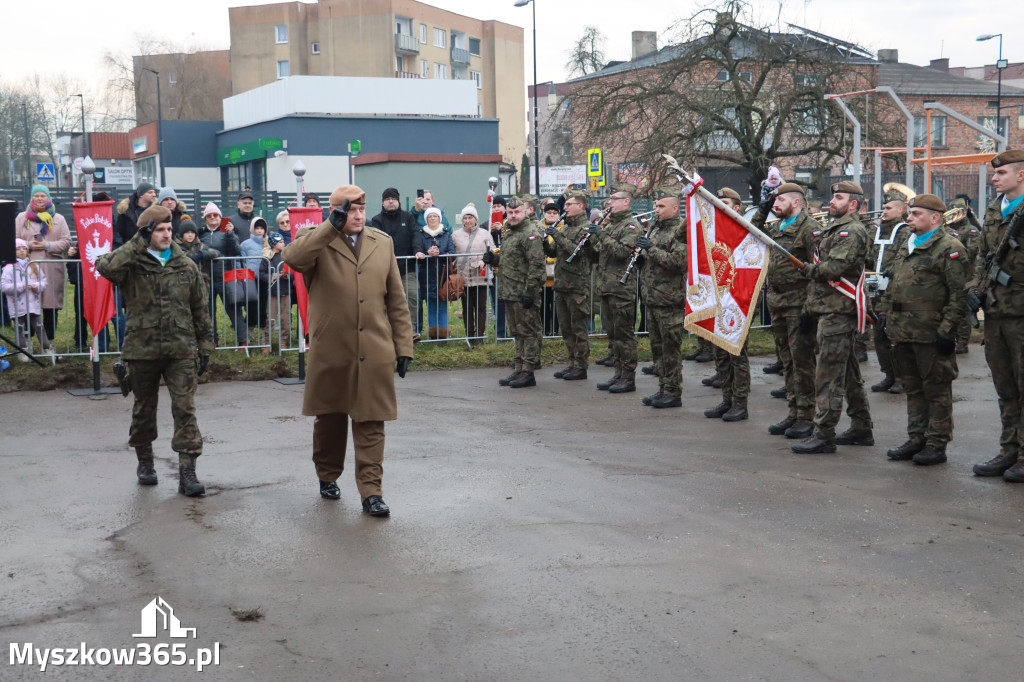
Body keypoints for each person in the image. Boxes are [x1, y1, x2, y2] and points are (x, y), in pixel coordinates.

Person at [282, 184, 414, 516]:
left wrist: (404, 346)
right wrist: (330, 225)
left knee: (372, 420)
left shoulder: (381, 243)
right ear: (336, 211)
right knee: (330, 419)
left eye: (359, 210)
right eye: (349, 210)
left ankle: (372, 492)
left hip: (374, 346)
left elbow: (396, 300)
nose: (356, 216)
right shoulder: (318, 240)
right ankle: (327, 475)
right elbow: (292, 258)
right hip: (332, 348)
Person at [95, 205, 214, 496]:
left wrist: (205, 345)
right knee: (144, 409)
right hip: (142, 349)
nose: (166, 234)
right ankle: (145, 462)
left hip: (180, 348)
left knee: (185, 409)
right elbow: (104, 267)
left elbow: (200, 307)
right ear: (147, 231)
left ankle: (188, 471)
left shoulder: (184, 264)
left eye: (169, 229)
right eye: (159, 230)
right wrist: (137, 241)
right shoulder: (132, 263)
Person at [792, 180, 874, 454]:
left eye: (838, 198)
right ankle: (862, 428)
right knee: (848, 371)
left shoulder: (851, 231)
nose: (831, 202)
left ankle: (824, 433)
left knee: (828, 375)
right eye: (833, 197)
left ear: (853, 204)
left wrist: (808, 270)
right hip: (827, 309)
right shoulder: (835, 229)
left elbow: (834, 268)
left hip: (839, 312)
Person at [884, 194, 966, 466]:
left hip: (930, 332)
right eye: (909, 213)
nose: (909, 218)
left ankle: (936, 442)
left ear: (935, 218)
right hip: (903, 331)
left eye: (916, 214)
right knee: (913, 388)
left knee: (936, 390)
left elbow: (959, 294)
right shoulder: (906, 245)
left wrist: (946, 331)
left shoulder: (948, 247)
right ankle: (916, 437)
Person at [969, 150, 1024, 481]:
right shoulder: (995, 209)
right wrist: (975, 290)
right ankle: (1009, 450)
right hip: (996, 309)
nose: (994, 178)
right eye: (994, 173)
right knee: (1005, 385)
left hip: (1021, 310)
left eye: (1001, 173)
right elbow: (983, 256)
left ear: (1021, 175)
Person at [751, 182, 819, 438]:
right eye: (774, 202)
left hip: (798, 303)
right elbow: (750, 234)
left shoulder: (810, 229)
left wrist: (810, 309)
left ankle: (807, 415)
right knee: (788, 361)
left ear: (797, 202)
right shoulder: (776, 227)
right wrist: (762, 211)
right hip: (778, 302)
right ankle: (794, 410)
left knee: (802, 362)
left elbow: (816, 272)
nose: (775, 205)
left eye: (780, 201)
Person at [483, 196, 545, 387]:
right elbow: (510, 258)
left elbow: (536, 266)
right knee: (517, 332)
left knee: (528, 332)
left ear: (525, 211)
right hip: (509, 290)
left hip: (524, 291)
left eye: (517, 212)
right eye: (510, 213)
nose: (513, 216)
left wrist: (530, 292)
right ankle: (518, 368)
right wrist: (494, 259)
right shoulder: (509, 232)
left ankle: (528, 370)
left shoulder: (531, 233)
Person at [586, 184, 642, 393]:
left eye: (614, 199)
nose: (609, 202)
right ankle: (618, 374)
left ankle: (628, 377)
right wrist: (590, 242)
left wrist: (600, 234)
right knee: (613, 335)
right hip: (606, 287)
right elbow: (598, 255)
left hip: (622, 289)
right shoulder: (610, 226)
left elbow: (620, 252)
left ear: (626, 202)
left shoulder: (631, 226)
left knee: (624, 336)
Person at [635, 188, 687, 408]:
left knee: (670, 349)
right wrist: (639, 258)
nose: (656, 210)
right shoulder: (655, 229)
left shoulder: (680, 231)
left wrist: (652, 250)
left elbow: (677, 263)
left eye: (661, 206)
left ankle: (673, 391)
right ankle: (663, 388)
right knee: (657, 348)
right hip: (652, 298)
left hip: (669, 300)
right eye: (655, 206)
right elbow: (651, 261)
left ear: (675, 208)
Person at [703, 187, 751, 421]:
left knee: (736, 354)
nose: (719, 205)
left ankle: (740, 403)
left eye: (724, 202)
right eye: (716, 201)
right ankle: (727, 399)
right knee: (720, 354)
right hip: (717, 296)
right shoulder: (712, 228)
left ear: (736, 207)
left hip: (738, 298)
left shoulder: (744, 228)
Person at [543, 189, 593, 381]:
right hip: (561, 284)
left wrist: (557, 236)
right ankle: (572, 362)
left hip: (577, 285)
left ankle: (581, 365)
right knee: (566, 328)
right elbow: (554, 252)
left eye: (569, 204)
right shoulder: (565, 227)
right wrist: (546, 241)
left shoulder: (586, 228)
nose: (565, 208)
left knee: (578, 328)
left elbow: (578, 252)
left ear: (580, 206)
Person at [865, 191, 911, 394]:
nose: (884, 211)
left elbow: (906, 261)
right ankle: (889, 375)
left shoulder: (907, 232)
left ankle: (903, 377)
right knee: (879, 337)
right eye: (883, 208)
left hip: (896, 292)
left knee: (895, 335)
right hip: (876, 291)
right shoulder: (877, 231)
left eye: (888, 208)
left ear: (902, 210)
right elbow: (870, 258)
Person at [15, 184, 71, 345]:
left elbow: (66, 241)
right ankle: (27, 343)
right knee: (28, 306)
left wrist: (48, 245)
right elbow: (14, 238)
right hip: (28, 267)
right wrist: (27, 245)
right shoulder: (21, 218)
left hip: (51, 268)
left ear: (48, 198)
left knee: (50, 307)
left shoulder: (58, 218)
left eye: (43, 196)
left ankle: (49, 343)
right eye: (36, 196)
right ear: (32, 198)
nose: (39, 199)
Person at [370, 188, 425, 339]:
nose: (390, 201)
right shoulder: (376, 220)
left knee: (412, 296)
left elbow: (415, 234)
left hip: (408, 268)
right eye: (387, 199)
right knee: (387, 301)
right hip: (385, 269)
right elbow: (377, 241)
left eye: (393, 198)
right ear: (383, 202)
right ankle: (388, 332)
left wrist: (418, 250)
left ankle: (411, 330)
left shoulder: (408, 217)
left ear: (398, 201)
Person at [198, 202, 244, 347]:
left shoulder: (227, 231)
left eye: (215, 215)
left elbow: (236, 251)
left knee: (233, 308)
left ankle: (242, 341)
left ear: (220, 217)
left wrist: (230, 235)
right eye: (209, 215)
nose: (212, 217)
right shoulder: (201, 233)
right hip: (206, 278)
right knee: (209, 310)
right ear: (205, 218)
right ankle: (213, 339)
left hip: (225, 276)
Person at [452, 203, 494, 343]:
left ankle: (480, 336)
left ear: (475, 219)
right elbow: (452, 255)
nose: (468, 220)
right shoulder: (456, 235)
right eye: (465, 218)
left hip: (481, 276)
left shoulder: (485, 234)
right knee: (467, 308)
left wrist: (484, 261)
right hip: (464, 277)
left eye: (470, 217)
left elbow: (492, 251)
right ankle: (469, 335)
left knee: (481, 307)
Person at [2, 239, 50, 360]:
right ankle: (23, 350)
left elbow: (43, 281)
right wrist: (20, 286)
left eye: (24, 248)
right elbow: (4, 286)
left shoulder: (33, 266)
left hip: (33, 303)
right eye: (18, 249)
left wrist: (37, 286)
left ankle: (46, 348)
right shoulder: (8, 268)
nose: (22, 251)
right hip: (17, 304)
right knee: (20, 328)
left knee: (39, 326)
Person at [417, 207, 456, 339]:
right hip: (426, 275)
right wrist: (427, 253)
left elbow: (453, 253)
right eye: (430, 216)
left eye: (435, 216)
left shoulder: (446, 234)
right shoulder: (421, 235)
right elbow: (418, 250)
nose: (432, 218)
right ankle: (433, 334)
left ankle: (443, 334)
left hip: (443, 276)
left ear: (439, 218)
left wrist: (442, 254)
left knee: (443, 305)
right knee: (431, 305)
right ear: (426, 219)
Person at [241, 216, 272, 352]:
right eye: (257, 228)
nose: (259, 231)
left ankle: (264, 341)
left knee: (265, 309)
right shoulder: (245, 244)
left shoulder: (269, 242)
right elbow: (240, 262)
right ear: (252, 229)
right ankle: (246, 338)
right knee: (251, 308)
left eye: (262, 228)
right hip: (250, 280)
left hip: (265, 281)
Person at [266, 232, 293, 346]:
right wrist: (272, 276)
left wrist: (287, 275)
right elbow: (260, 273)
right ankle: (267, 343)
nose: (283, 244)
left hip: (285, 291)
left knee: (285, 318)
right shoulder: (267, 258)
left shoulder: (287, 257)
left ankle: (284, 341)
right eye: (280, 242)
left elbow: (294, 272)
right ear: (273, 244)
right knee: (270, 318)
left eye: (283, 241)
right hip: (273, 292)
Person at [539, 200, 561, 336]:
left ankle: (555, 330)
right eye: (549, 212)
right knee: (544, 305)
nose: (551, 215)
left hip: (557, 274)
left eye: (554, 213)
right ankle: (545, 329)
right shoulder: (539, 228)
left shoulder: (562, 229)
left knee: (557, 306)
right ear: (544, 213)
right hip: (543, 275)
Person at [113, 182, 156, 247]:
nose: (154, 195)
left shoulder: (157, 211)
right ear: (141, 195)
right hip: (130, 251)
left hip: (151, 249)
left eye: (154, 192)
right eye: (150, 192)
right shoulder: (126, 211)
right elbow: (119, 234)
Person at [489, 196, 508, 338]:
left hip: (509, 269)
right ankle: (500, 331)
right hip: (493, 269)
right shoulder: (486, 224)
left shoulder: (511, 223)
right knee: (497, 302)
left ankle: (512, 331)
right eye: (494, 206)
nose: (496, 209)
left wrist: (502, 230)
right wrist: (489, 231)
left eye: (499, 206)